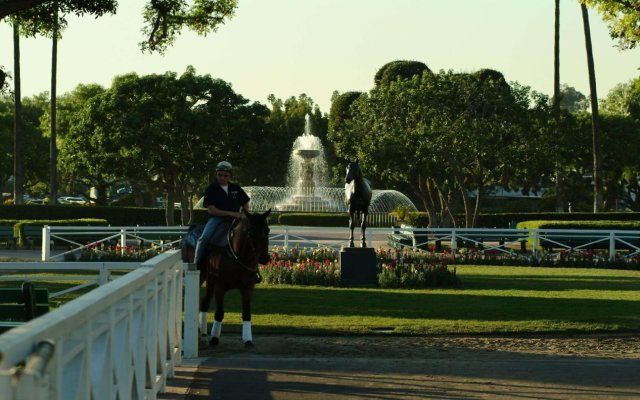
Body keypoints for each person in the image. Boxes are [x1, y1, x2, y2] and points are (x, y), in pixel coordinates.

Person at [194, 160, 250, 270]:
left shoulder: (236, 188)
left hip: (236, 220)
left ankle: (252, 266)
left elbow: (246, 202)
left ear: (230, 176)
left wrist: (245, 214)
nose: (222, 177)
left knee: (251, 237)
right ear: (216, 174)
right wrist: (232, 213)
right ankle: (196, 264)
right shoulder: (211, 189)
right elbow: (211, 210)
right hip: (216, 220)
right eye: (220, 175)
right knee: (203, 238)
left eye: (225, 175)